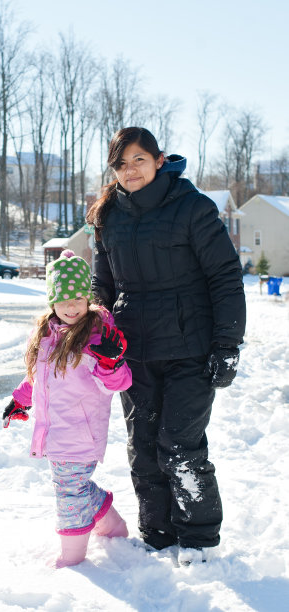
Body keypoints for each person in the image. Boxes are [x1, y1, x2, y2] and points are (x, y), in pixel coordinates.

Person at [86, 127, 246, 566]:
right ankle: (157, 536)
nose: (130, 170)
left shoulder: (192, 207)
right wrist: (97, 336)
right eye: (120, 164)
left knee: (179, 444)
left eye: (138, 159)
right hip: (133, 353)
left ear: (159, 160)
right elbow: (103, 285)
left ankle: (197, 542)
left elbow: (225, 277)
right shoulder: (107, 216)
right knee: (143, 449)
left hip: (190, 350)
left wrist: (227, 344)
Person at [2, 249, 132, 568]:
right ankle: (112, 527)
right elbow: (39, 378)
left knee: (69, 493)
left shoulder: (97, 335)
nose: (72, 307)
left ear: (87, 299)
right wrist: (21, 399)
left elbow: (120, 382)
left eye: (78, 299)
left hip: (80, 432)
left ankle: (72, 557)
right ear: (52, 302)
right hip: (55, 430)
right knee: (73, 485)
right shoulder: (47, 335)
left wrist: (110, 361)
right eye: (64, 300)